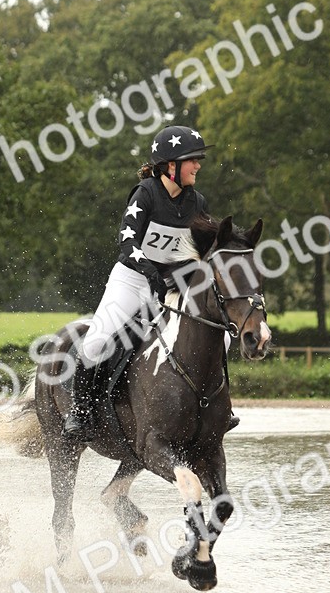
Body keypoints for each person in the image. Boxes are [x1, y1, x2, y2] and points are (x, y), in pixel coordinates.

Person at [62, 124, 240, 440]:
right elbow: (127, 244)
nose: (198, 165)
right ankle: (80, 412)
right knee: (96, 341)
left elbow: (208, 245)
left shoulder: (196, 202)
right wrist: (151, 274)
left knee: (221, 335)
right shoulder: (146, 194)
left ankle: (216, 407)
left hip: (173, 285)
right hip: (131, 279)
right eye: (193, 160)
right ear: (171, 165)